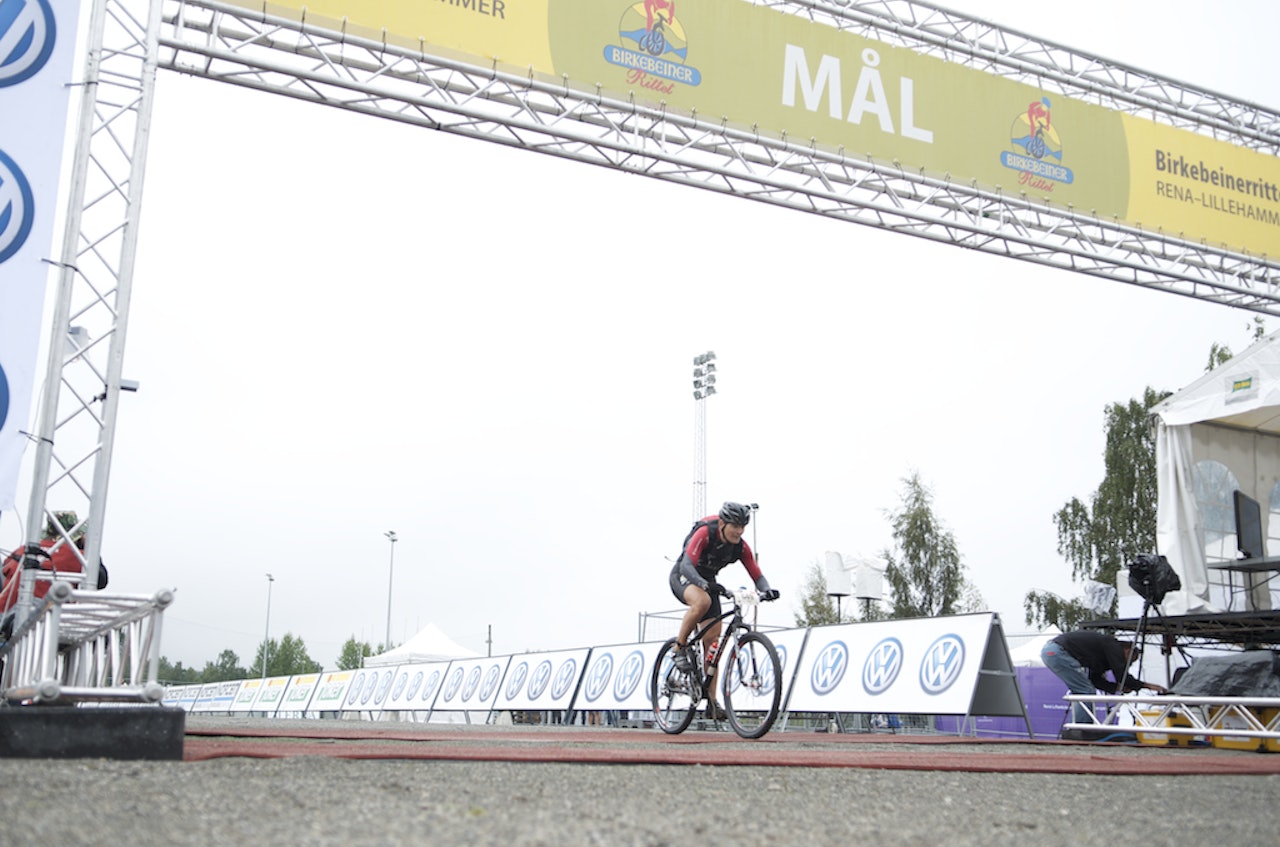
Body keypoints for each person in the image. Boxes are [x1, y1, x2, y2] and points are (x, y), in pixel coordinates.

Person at [668, 501, 779, 721]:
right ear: (722, 524)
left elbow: (756, 574)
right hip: (684, 574)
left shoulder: (740, 547)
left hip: (708, 580)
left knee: (713, 644)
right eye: (735, 526)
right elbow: (687, 565)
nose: (739, 531)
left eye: (742, 527)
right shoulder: (705, 533)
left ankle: (712, 702)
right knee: (702, 601)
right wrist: (702, 583)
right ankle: (679, 647)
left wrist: (767, 590)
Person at [1041, 629, 1167, 738]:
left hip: (1052, 651)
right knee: (1085, 691)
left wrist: (1116, 687)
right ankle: (1080, 729)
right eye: (1131, 660)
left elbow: (1095, 680)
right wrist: (1148, 685)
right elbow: (1121, 674)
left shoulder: (1101, 654)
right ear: (1128, 651)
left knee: (1083, 690)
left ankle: (1078, 727)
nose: (1129, 664)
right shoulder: (1114, 646)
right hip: (1059, 651)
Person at [1, 511, 109, 633]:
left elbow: (5, 569)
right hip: (48, 622)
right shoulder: (78, 557)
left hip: (6, 618)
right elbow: (101, 580)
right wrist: (88, 549)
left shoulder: (23, 550)